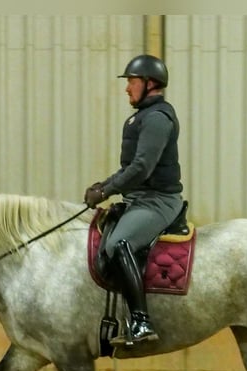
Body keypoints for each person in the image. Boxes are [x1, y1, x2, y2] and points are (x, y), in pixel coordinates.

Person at [84, 54, 185, 347]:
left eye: (132, 81)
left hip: (158, 201)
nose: (127, 88)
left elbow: (142, 167)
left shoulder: (157, 118)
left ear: (149, 83)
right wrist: (105, 185)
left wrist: (105, 191)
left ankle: (141, 321)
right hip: (140, 198)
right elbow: (131, 167)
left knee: (119, 243)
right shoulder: (141, 116)